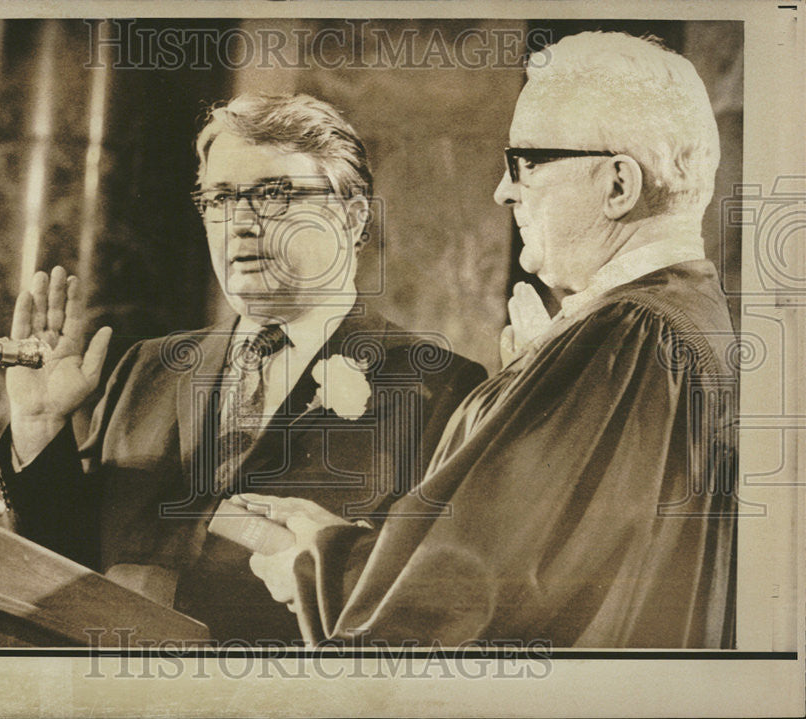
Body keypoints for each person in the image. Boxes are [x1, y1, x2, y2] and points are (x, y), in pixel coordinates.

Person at [242, 32, 739, 648]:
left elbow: (471, 602)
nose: (503, 190)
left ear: (618, 185)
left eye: (524, 162)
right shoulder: (672, 321)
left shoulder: (624, 341)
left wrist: (321, 562)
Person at [0, 93, 487, 643]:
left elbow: (431, 609)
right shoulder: (148, 367)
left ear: (352, 217)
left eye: (275, 195)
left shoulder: (443, 389)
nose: (242, 224)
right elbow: (66, 564)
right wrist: (38, 428)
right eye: (220, 198)